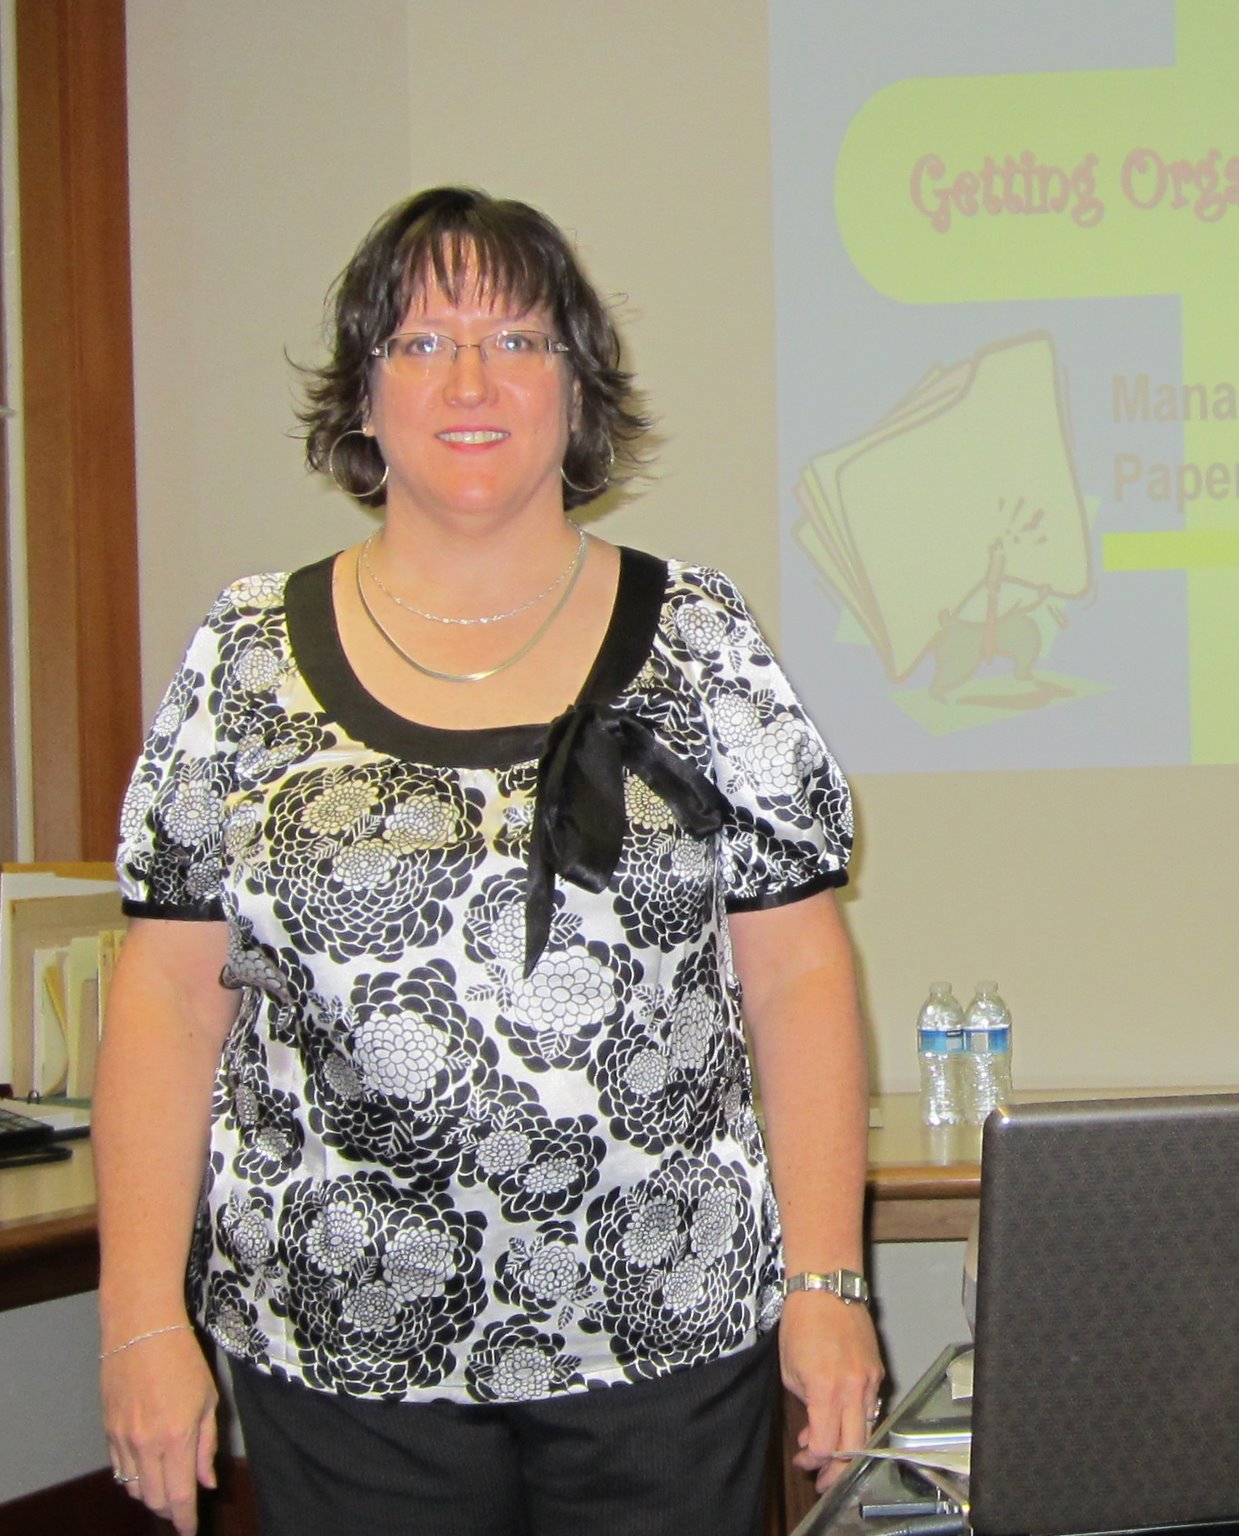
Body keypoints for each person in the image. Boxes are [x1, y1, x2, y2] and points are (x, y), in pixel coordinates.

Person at [93, 184, 883, 1536]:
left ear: (578, 394)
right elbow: (168, 1003)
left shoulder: (696, 640)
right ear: (360, 395)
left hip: (667, 1335)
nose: (471, 377)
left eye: (519, 342)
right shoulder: (244, 654)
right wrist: (134, 1323)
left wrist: (827, 1285)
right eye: (420, 342)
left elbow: (797, 976)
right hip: (339, 1349)